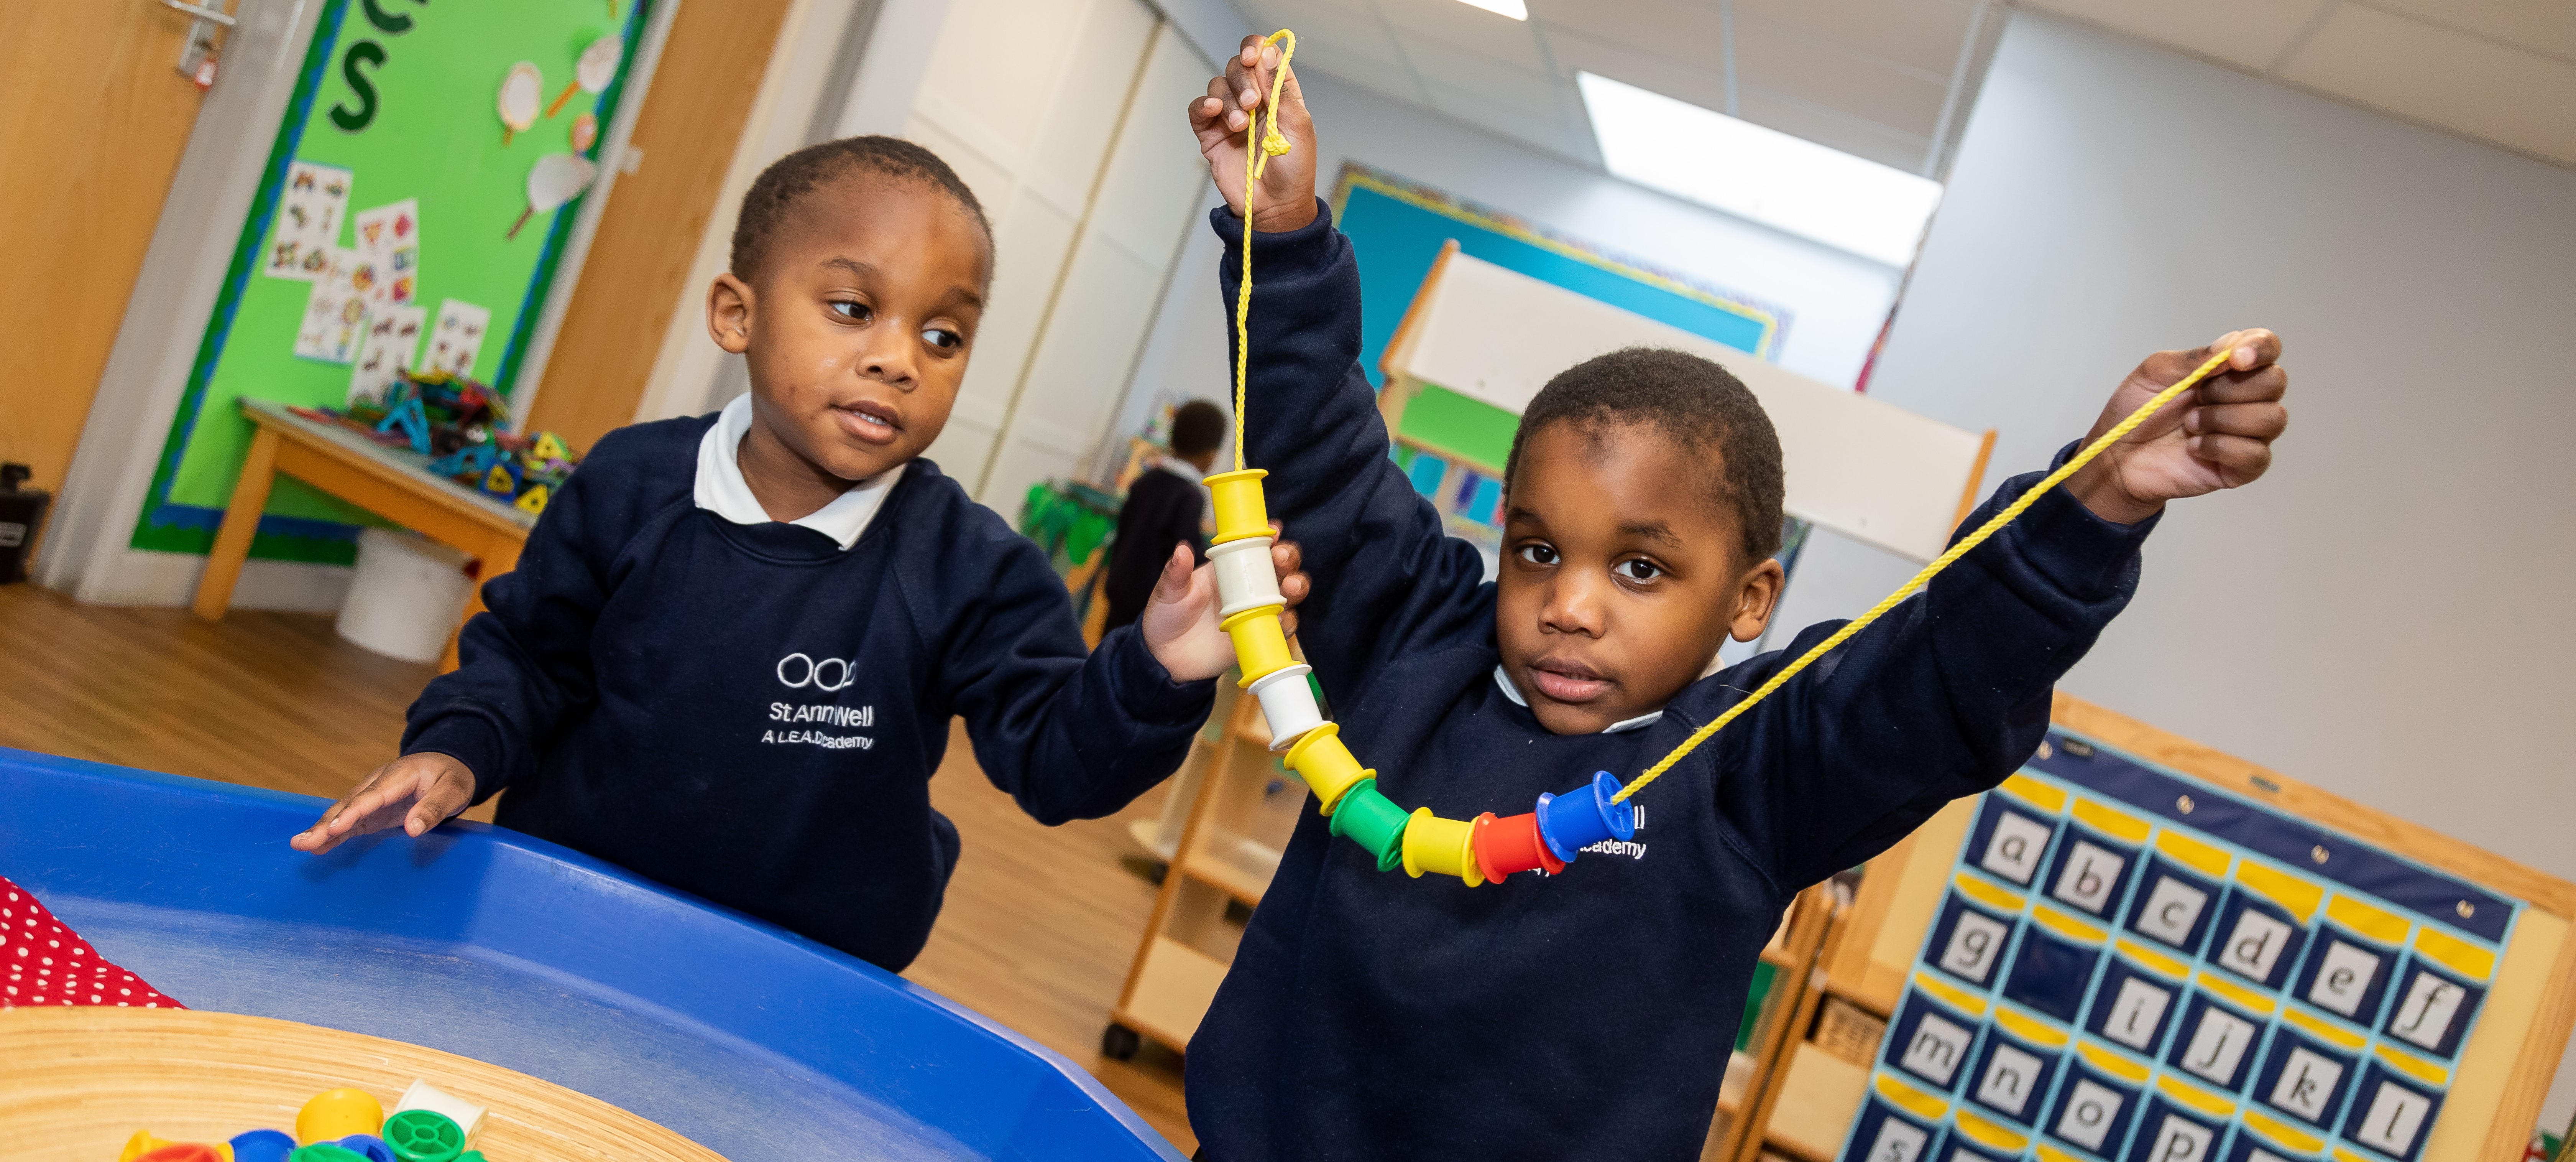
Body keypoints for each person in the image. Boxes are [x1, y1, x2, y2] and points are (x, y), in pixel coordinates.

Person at [1179, 40, 2289, 1159]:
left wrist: (2091, 489)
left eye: (1640, 568)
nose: (1569, 605)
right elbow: (1318, 443)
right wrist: (1278, 238)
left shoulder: (1752, 773)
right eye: (1534, 549)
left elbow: (1937, 657)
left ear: (1749, 597)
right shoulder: (1411, 647)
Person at [291, 137, 1304, 973]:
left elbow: (1056, 765)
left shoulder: (974, 569)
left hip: (809, 972)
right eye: (855, 310)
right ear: (738, 313)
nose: (899, 357)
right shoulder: (633, 482)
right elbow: (526, 657)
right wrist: (455, 748)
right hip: (559, 921)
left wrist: (1158, 667)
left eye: (944, 336)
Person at [1101, 400, 1227, 634]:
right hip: (1150, 604)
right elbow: (1185, 552)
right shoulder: (1189, 496)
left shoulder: (1144, 481)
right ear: (1211, 454)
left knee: (1110, 655)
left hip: (1119, 591)